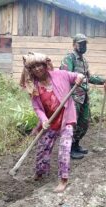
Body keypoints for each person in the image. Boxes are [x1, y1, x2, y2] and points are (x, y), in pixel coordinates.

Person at [20, 52, 84, 192]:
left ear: (45, 65)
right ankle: (40, 172)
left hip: (66, 118)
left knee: (64, 149)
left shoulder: (60, 74)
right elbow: (37, 107)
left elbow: (78, 76)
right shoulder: (34, 86)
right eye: (34, 67)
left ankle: (63, 179)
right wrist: (43, 120)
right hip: (50, 121)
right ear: (30, 70)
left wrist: (79, 77)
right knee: (43, 148)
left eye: (39, 65)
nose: (37, 69)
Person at [60, 33, 105, 159]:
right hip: (73, 97)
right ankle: (69, 149)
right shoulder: (69, 58)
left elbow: (88, 77)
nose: (83, 46)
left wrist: (104, 81)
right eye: (81, 43)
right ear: (74, 44)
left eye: (85, 43)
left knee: (84, 122)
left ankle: (76, 145)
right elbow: (64, 76)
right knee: (72, 124)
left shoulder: (84, 61)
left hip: (83, 96)